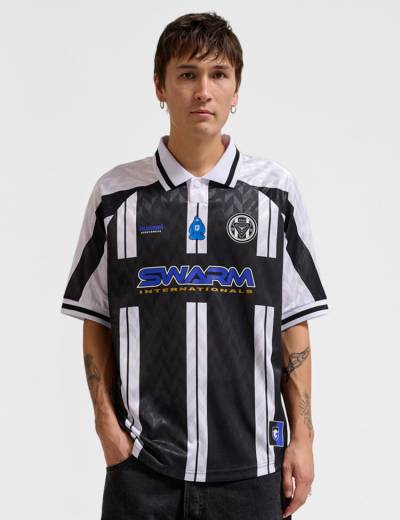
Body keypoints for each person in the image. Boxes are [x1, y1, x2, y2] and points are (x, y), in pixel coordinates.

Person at [61, 11, 328, 520]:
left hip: (253, 471)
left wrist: (303, 438)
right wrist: (108, 431)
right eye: (187, 74)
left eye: (218, 75)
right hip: (143, 473)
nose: (203, 91)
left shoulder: (275, 193)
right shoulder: (116, 196)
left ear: (236, 89)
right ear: (160, 87)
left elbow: (293, 324)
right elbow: (96, 319)